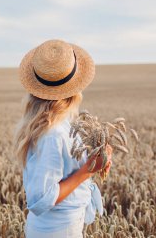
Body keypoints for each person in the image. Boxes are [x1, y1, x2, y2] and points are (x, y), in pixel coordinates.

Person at [13, 39, 113, 237]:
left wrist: (99, 157)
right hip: (57, 230)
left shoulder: (62, 123)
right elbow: (40, 199)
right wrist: (88, 170)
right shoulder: (52, 133)